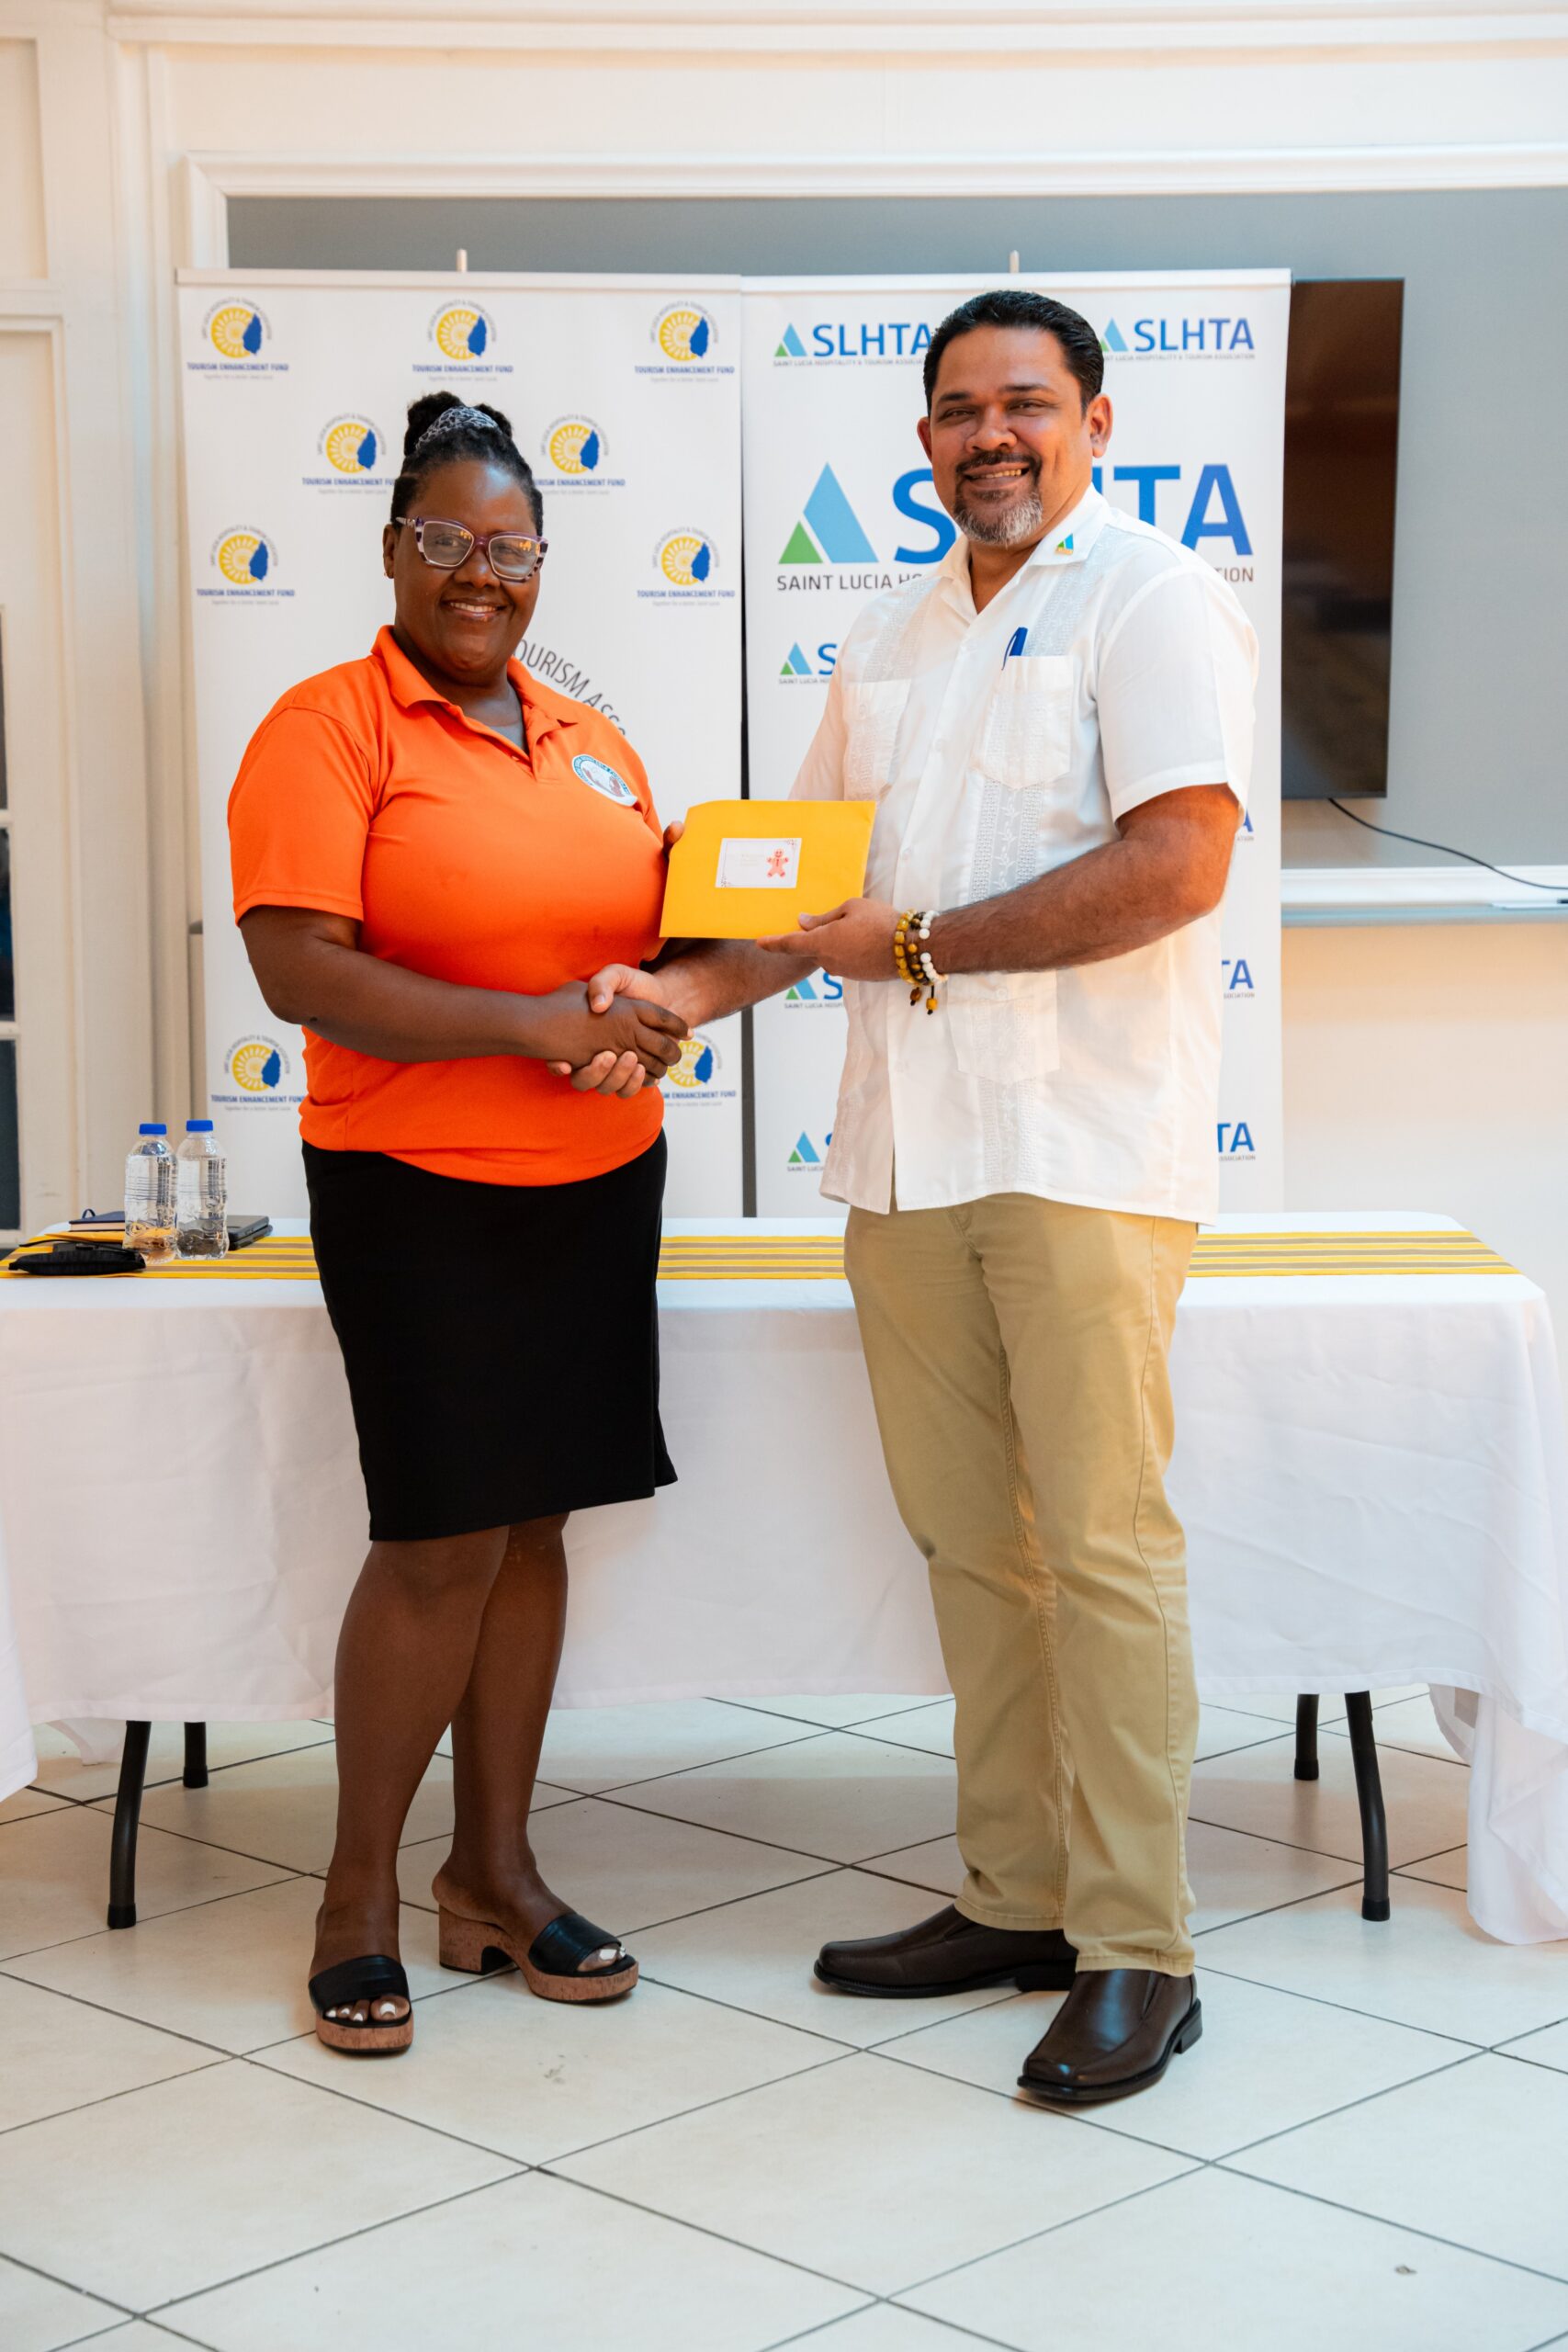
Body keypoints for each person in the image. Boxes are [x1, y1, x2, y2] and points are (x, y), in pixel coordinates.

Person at [566, 288, 1256, 2105]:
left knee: (1101, 1548)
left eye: (1024, 401)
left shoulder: (1150, 595)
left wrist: (928, 942)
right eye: (958, 408)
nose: (988, 434)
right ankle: (1020, 1896)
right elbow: (803, 900)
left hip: (1082, 1151)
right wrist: (673, 998)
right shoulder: (884, 629)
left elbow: (1178, 863)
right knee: (972, 1543)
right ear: (925, 438)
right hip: (901, 1159)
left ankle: (1141, 1945)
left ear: (1095, 421)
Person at [230, 391, 691, 2055]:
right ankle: (354, 1897)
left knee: (536, 1526)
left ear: (543, 562)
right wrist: (533, 1027)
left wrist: (663, 1002)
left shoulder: (592, 739)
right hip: (414, 1185)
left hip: (598, 1182)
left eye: (509, 545)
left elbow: (650, 940)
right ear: (391, 551)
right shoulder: (326, 726)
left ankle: (492, 1873)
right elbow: (299, 968)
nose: (478, 571)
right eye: (445, 539)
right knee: (437, 1539)